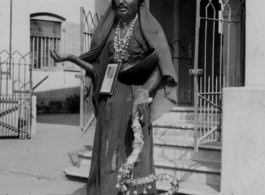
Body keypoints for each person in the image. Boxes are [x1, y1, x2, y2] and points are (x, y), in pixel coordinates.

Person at [50, 0, 178, 195]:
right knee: (108, 153)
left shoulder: (148, 27)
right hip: (108, 101)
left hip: (135, 101)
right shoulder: (109, 28)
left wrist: (144, 92)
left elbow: (161, 67)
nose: (121, 1)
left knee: (134, 154)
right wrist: (73, 58)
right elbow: (99, 71)